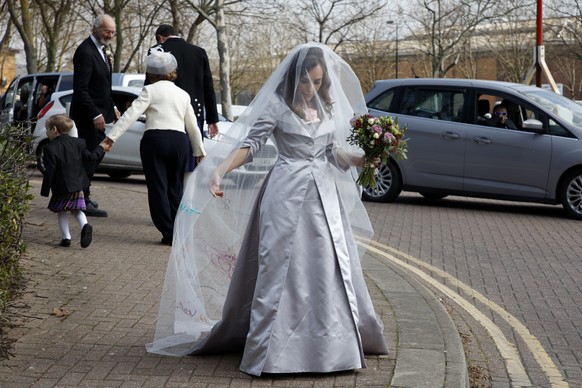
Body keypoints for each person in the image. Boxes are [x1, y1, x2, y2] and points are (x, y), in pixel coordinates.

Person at [146, 43, 388, 376]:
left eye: (317, 82)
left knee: (327, 267)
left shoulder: (327, 108)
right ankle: (273, 350)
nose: (311, 89)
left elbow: (333, 154)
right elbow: (250, 147)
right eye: (306, 82)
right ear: (293, 79)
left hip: (324, 200)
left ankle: (331, 344)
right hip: (285, 193)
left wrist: (364, 158)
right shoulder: (277, 106)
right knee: (279, 269)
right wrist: (218, 172)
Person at [102, 51, 206, 246]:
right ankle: (178, 230)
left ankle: (168, 232)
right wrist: (199, 151)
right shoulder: (183, 94)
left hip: (155, 140)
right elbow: (192, 125)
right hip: (179, 142)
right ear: (173, 72)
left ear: (151, 73)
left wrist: (111, 138)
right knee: (176, 188)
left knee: (158, 187)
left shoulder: (149, 91)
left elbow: (130, 115)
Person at [148, 24, 219, 179]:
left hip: (166, 115)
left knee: (166, 165)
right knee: (191, 160)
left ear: (160, 38)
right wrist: (212, 119)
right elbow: (208, 87)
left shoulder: (157, 51)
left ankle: (170, 201)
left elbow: (150, 84)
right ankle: (185, 201)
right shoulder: (199, 52)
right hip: (195, 112)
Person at [70, 14, 120, 218]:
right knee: (90, 157)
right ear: (96, 28)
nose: (110, 35)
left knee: (94, 156)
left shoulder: (101, 50)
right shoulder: (85, 51)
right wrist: (95, 114)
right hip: (87, 117)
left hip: (99, 113)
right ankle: (80, 199)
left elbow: (102, 86)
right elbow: (80, 89)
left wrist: (113, 106)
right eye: (107, 31)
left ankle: (83, 196)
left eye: (113, 32)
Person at [40, 114, 109, 248]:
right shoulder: (79, 143)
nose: (47, 132)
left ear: (54, 130)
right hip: (78, 184)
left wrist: (45, 190)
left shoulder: (50, 148)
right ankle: (85, 225)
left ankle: (66, 238)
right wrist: (101, 148)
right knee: (77, 210)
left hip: (61, 186)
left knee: (61, 211)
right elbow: (91, 157)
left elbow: (50, 172)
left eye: (47, 129)